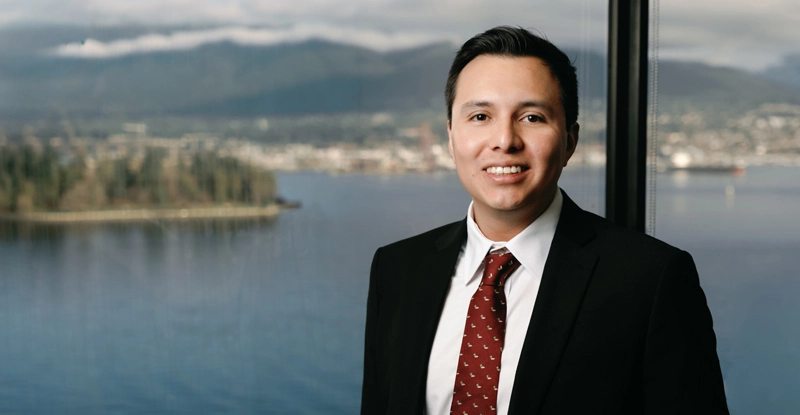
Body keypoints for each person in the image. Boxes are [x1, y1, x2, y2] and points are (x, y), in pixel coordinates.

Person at [361, 26, 728, 415]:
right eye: (481, 115)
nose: (505, 140)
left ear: (570, 141)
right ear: (451, 138)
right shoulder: (397, 269)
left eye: (533, 117)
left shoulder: (651, 280)